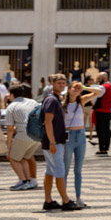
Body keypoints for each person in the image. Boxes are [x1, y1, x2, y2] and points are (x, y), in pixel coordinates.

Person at [63, 79, 101, 209]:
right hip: (68, 136)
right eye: (74, 88)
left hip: (80, 136)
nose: (77, 90)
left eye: (78, 89)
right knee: (65, 169)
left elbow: (99, 91)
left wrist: (84, 86)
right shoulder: (62, 104)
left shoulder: (82, 101)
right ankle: (65, 197)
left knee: (78, 170)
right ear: (68, 89)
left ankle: (78, 197)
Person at [40, 74, 71, 211]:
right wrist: (52, 142)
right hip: (53, 142)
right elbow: (47, 121)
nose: (62, 85)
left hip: (54, 141)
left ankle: (48, 200)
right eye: (59, 82)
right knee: (59, 171)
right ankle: (66, 201)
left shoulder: (56, 99)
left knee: (50, 171)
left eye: (63, 83)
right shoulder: (52, 100)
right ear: (52, 83)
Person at [3, 85, 39, 190]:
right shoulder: (33, 102)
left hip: (24, 134)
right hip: (37, 135)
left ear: (12, 95)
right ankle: (28, 181)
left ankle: (23, 180)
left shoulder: (12, 107)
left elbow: (10, 129)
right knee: (24, 157)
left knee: (13, 157)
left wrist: (8, 148)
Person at [91, 71, 111, 155]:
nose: (98, 80)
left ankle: (102, 149)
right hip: (108, 111)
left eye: (99, 78)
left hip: (100, 111)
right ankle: (106, 148)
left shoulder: (103, 87)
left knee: (100, 131)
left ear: (103, 78)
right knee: (107, 130)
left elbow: (95, 97)